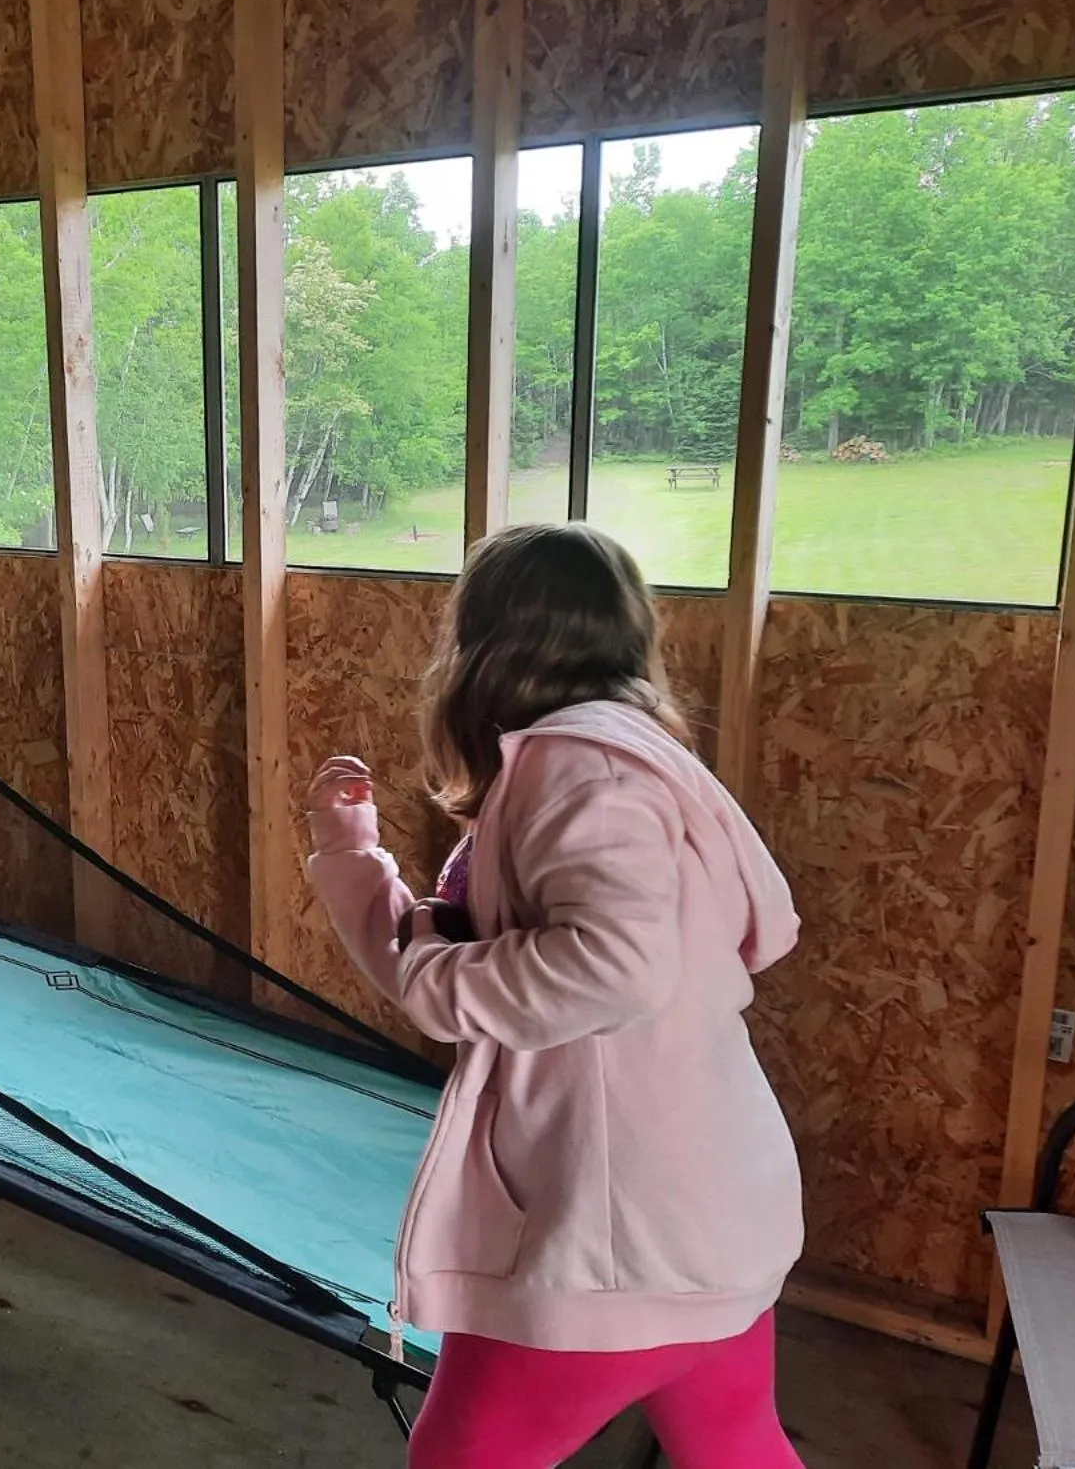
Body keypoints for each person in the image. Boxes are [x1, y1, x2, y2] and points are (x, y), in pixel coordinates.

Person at [306, 523, 805, 1468]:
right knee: (734, 1444)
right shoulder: (613, 758)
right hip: (702, 1212)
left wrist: (435, 983)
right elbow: (448, 967)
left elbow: (612, 965)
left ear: (484, 646)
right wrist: (352, 857)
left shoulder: (585, 770)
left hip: (616, 1234)